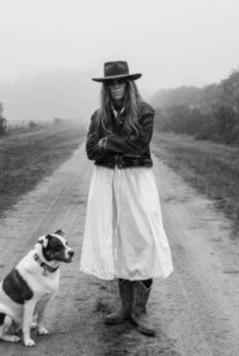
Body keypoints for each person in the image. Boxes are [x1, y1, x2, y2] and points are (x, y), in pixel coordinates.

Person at [80, 60, 173, 336]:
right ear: (106, 87)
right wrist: (111, 147)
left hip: (136, 180)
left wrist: (107, 143)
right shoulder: (98, 116)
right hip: (107, 180)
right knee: (118, 239)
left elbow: (139, 146)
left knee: (143, 238)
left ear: (128, 84)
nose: (116, 87)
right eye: (111, 83)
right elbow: (90, 151)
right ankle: (125, 306)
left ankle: (140, 310)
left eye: (121, 82)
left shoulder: (144, 112)